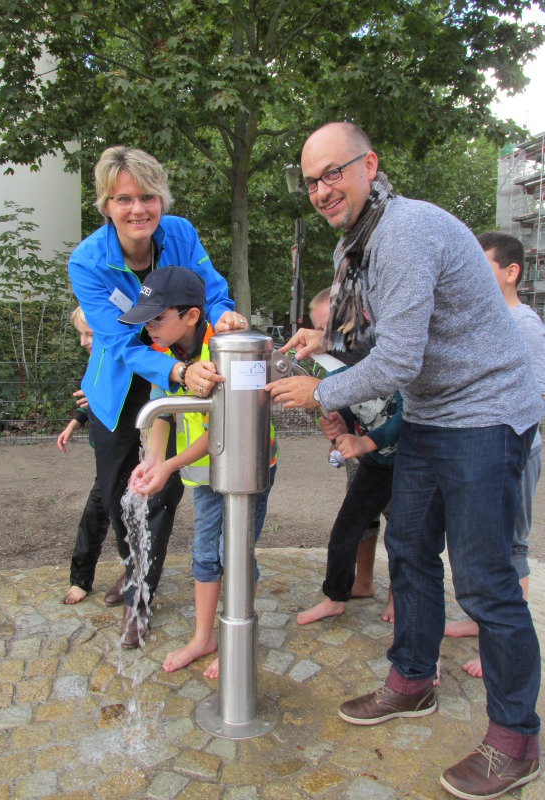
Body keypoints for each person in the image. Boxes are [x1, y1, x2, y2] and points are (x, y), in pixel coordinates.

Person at [267, 122, 542, 800]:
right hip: (430, 413)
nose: (323, 189)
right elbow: (376, 329)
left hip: (483, 412)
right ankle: (413, 679)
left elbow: (398, 359)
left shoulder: (405, 233)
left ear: (370, 165)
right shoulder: (354, 243)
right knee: (411, 550)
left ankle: (516, 740)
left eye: (335, 172)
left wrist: (321, 389)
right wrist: (325, 334)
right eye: (311, 180)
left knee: (484, 582)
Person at [67, 146, 245, 648]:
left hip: (187, 369)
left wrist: (224, 316)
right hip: (121, 387)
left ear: (161, 200)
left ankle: (140, 593)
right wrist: (176, 369)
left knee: (161, 489)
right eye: (124, 199)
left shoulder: (181, 234)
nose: (138, 209)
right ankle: (133, 575)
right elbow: (119, 343)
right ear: (106, 205)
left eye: (148, 196)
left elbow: (211, 292)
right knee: (120, 488)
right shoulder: (87, 261)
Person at [126, 266, 277, 677]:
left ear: (191, 316)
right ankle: (204, 637)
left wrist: (171, 465)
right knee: (204, 553)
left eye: (157, 317)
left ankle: (238, 636)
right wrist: (153, 461)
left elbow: (224, 432)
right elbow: (162, 414)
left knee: (235, 551)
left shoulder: (224, 351)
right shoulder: (167, 353)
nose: (149, 327)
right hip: (208, 474)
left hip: (246, 467)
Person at [445, 231, 545, 678]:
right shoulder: (487, 320)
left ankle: (498, 645)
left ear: (511, 272)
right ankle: (478, 621)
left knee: (510, 544)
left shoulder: (524, 324)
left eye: (481, 266)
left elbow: (536, 393)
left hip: (514, 448)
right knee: (485, 544)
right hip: (485, 450)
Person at [297, 288, 399, 625]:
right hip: (375, 465)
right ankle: (335, 596)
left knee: (406, 537)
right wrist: (337, 431)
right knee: (346, 529)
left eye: (335, 329)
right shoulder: (336, 372)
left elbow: (409, 418)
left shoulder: (390, 354)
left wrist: (365, 443)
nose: (330, 341)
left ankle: (400, 599)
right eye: (323, 331)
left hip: (411, 463)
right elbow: (338, 419)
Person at [56, 307, 111, 605]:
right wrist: (75, 422)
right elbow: (90, 399)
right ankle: (81, 579)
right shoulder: (94, 360)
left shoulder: (119, 357)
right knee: (97, 514)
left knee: (104, 513)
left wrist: (100, 397)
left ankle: (133, 578)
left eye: (89, 334)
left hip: (130, 455)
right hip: (104, 454)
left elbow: (123, 401)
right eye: (81, 334)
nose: (83, 341)